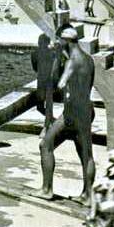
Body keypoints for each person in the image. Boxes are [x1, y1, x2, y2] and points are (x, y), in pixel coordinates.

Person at [40, 25, 96, 203]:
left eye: (59, 40)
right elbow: (87, 85)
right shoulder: (89, 59)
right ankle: (87, 195)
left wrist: (57, 62)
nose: (57, 43)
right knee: (86, 154)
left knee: (46, 144)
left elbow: (60, 84)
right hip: (87, 109)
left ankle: (47, 189)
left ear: (65, 40)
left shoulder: (72, 61)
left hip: (72, 112)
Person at [30, 33, 62, 127]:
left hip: (41, 80)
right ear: (48, 42)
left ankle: (49, 121)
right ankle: (50, 120)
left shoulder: (34, 53)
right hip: (52, 81)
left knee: (40, 106)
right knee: (49, 104)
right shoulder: (53, 54)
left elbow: (35, 68)